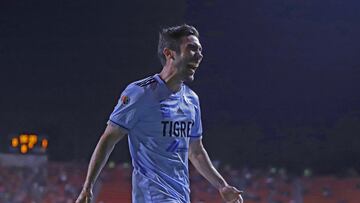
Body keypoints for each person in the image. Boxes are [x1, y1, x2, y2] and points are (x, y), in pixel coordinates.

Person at [76, 24, 243, 203]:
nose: (199, 55)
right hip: (152, 196)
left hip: (181, 197)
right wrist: (88, 186)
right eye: (192, 48)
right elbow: (108, 139)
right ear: (169, 53)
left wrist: (222, 185)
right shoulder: (140, 93)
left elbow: (196, 151)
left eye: (200, 50)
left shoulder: (192, 99)